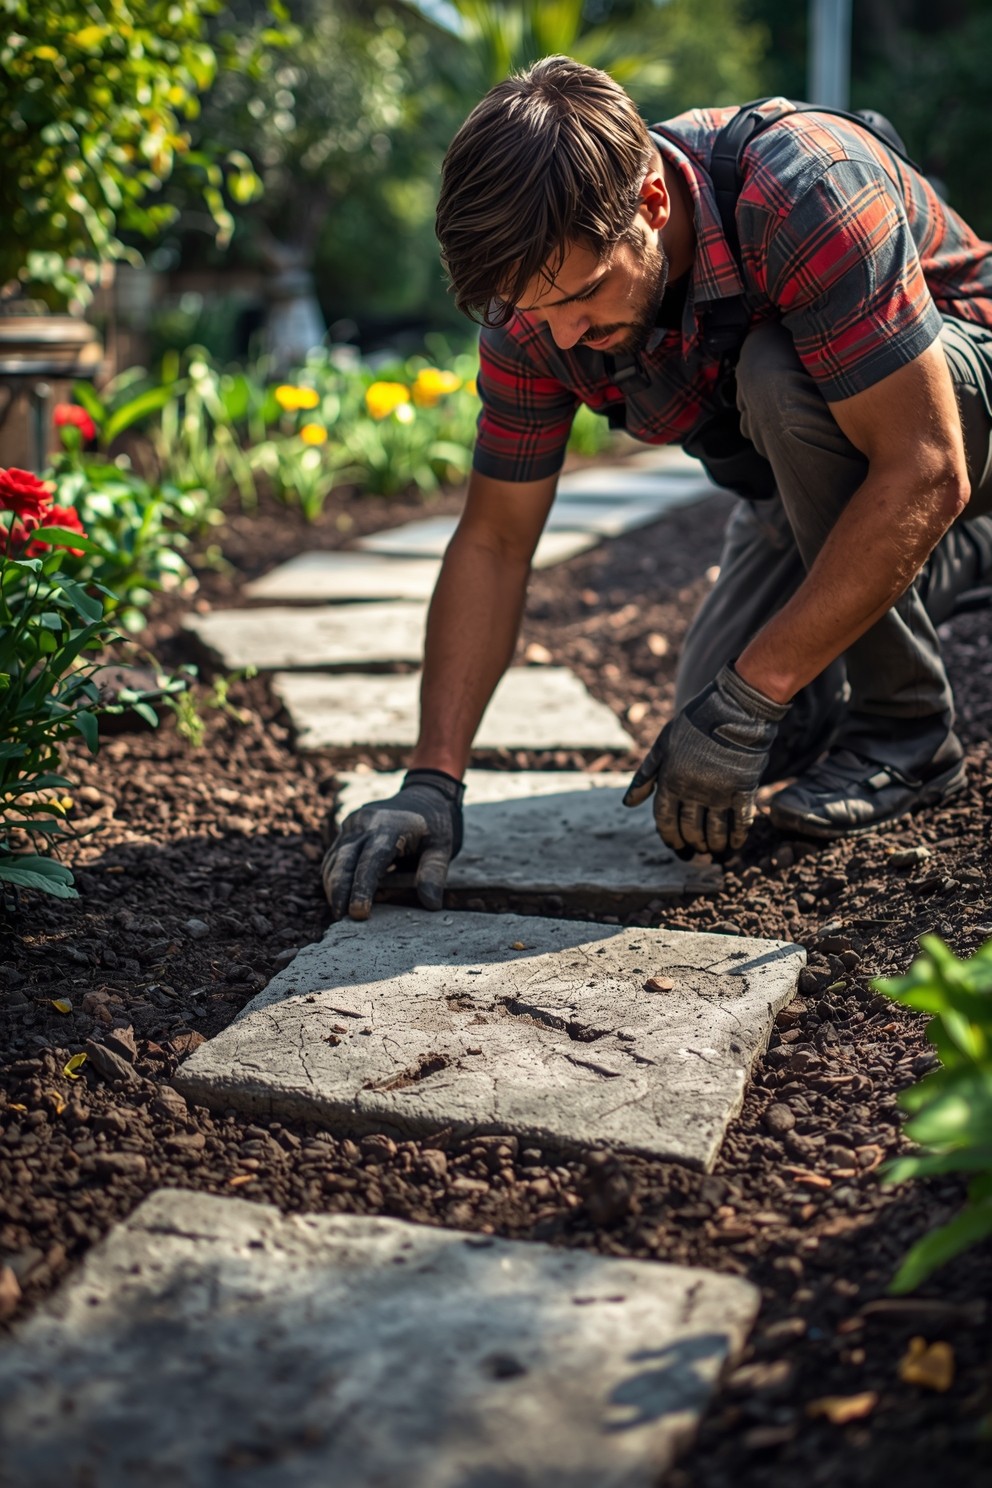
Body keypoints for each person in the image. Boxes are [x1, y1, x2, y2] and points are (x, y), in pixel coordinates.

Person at [323, 55, 992, 922]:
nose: (567, 335)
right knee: (701, 751)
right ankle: (941, 570)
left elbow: (927, 465)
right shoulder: (536, 315)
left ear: (651, 204)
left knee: (777, 377)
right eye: (534, 310)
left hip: (954, 418)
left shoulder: (805, 188)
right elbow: (493, 542)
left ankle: (906, 733)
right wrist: (431, 780)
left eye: (586, 295)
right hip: (799, 495)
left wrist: (753, 694)